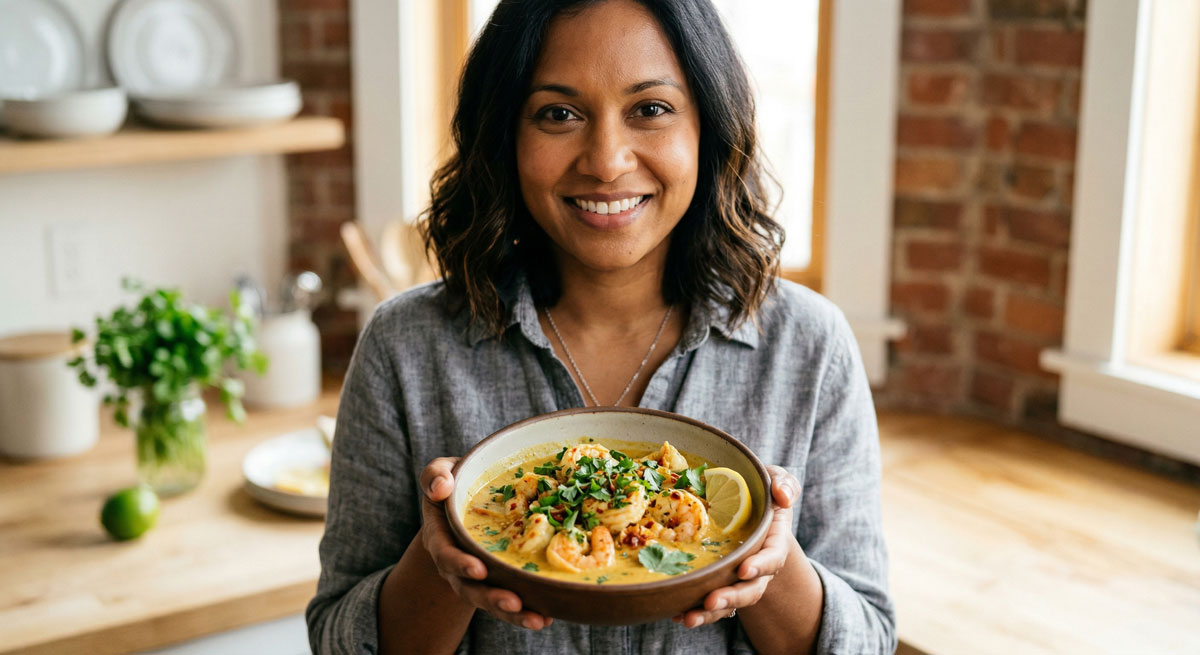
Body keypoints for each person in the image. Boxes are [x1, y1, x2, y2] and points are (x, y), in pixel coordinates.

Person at [306, 0, 895, 653]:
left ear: (708, 124)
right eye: (559, 113)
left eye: (650, 109)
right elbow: (338, 640)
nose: (607, 161)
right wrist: (442, 560)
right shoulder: (403, 346)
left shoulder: (810, 344)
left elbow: (866, 639)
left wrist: (770, 562)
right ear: (505, 132)